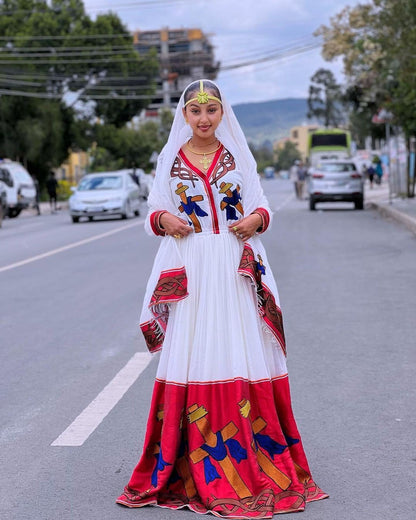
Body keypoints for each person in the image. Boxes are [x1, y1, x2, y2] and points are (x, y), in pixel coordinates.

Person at [116, 79, 328, 517]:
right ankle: (190, 461)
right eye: (195, 111)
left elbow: (261, 203)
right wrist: (164, 220)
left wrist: (254, 219)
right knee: (195, 351)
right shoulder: (170, 159)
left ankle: (251, 459)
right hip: (192, 265)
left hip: (233, 266)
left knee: (240, 349)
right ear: (184, 116)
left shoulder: (237, 156)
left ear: (223, 114)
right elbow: (152, 211)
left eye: (211, 110)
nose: (204, 118)